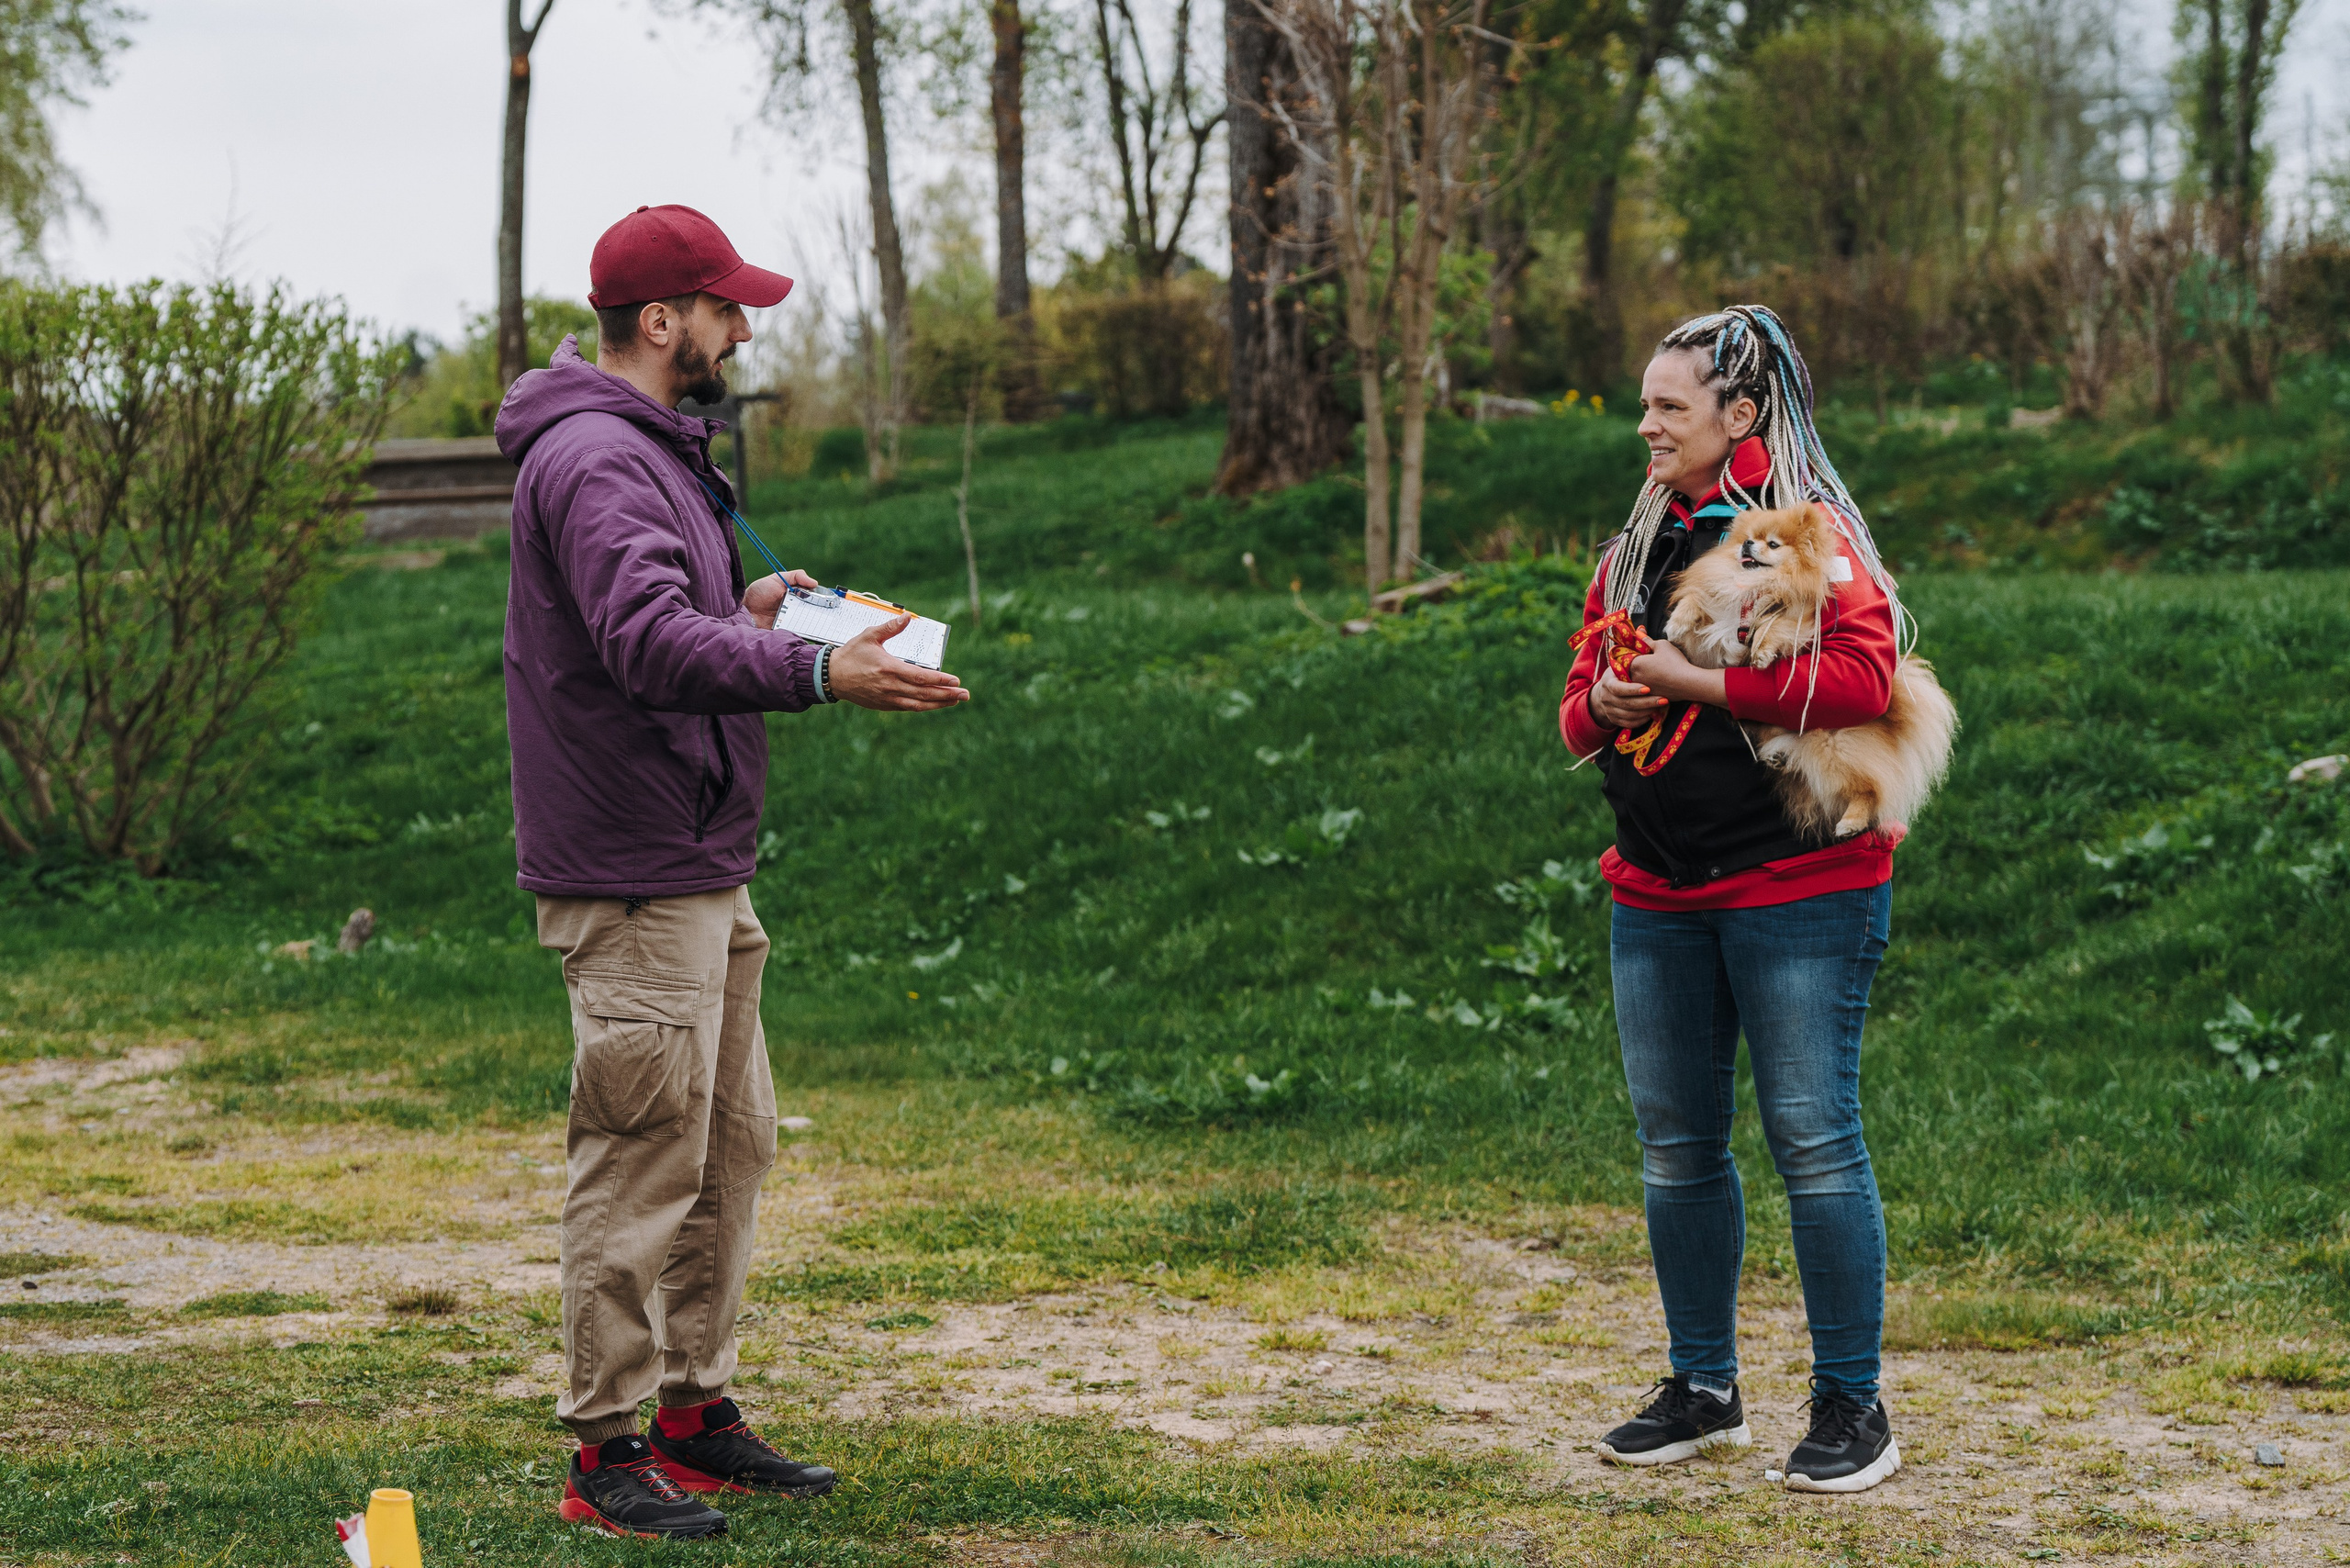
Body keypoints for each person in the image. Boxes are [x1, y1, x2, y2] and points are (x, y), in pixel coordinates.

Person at [497, 203, 971, 1540]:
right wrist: (819, 666)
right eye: (724, 308)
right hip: (636, 868)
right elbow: (645, 646)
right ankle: (607, 1450)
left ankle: (695, 1414)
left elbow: (656, 623)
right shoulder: (598, 460)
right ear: (662, 322)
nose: (743, 327)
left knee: (727, 1144)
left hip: (697, 855)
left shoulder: (650, 452)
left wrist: (755, 613)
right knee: (642, 1154)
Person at [1558, 306, 1908, 1495]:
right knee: (1676, 1148)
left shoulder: (1807, 534)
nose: (1645, 422)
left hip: (1798, 886)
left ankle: (1853, 1409)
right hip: (1657, 890)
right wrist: (1601, 710)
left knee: (1814, 1140)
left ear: (1739, 415)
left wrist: (1692, 682)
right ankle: (1704, 1389)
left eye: (1669, 405)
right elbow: (1573, 702)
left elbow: (1865, 673)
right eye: (1645, 402)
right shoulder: (1637, 543)